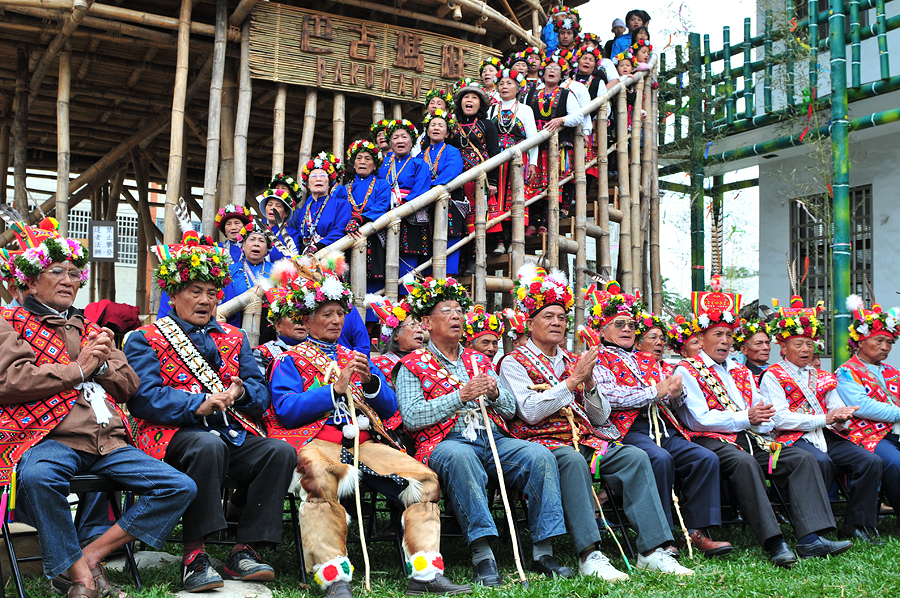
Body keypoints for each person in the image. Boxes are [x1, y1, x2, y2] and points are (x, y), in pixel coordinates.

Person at [0, 218, 196, 598]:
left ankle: (88, 557)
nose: (68, 279)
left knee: (179, 486)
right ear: (28, 279)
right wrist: (78, 369)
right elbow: (9, 381)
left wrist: (103, 364)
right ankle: (82, 578)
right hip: (50, 438)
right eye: (55, 270)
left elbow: (129, 387)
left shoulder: (89, 326)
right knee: (40, 478)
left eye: (74, 273)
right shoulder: (9, 321)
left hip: (108, 442)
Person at [266, 256, 470, 598]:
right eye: (326, 314)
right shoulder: (289, 359)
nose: (335, 320)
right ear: (308, 319)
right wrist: (334, 390)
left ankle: (424, 572)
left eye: (339, 314)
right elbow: (287, 410)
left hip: (365, 444)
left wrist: (372, 381)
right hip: (319, 442)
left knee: (424, 479)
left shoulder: (355, 356)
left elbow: (390, 408)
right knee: (318, 476)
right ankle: (334, 579)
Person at [125, 230, 296, 592]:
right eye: (195, 291)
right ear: (173, 295)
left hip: (229, 429)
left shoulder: (234, 339)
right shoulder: (146, 337)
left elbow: (260, 394)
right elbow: (144, 398)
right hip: (170, 435)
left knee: (279, 451)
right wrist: (197, 404)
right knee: (207, 446)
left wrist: (241, 393)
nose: (205, 300)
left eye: (212, 293)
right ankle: (195, 556)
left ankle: (244, 550)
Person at [500, 265, 693, 579]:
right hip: (542, 443)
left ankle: (652, 550)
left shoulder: (574, 359)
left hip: (588, 437)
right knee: (573, 460)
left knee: (635, 456)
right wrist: (574, 381)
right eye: (548, 316)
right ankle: (590, 555)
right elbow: (530, 412)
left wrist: (589, 386)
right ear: (530, 322)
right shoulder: (513, 361)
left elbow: (601, 417)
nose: (557, 323)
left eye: (562, 318)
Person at [395, 277, 568, 586]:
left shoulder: (479, 359)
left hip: (493, 438)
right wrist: (459, 396)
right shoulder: (412, 364)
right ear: (426, 322)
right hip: (445, 443)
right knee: (460, 457)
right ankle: (483, 555)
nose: (456, 317)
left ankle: (544, 552)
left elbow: (510, 409)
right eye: (446, 310)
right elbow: (411, 417)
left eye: (459, 311)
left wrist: (494, 395)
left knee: (539, 455)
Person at [675, 275, 852, 567]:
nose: (724, 341)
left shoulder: (739, 370)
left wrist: (761, 422)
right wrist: (747, 417)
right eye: (718, 334)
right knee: (743, 463)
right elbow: (697, 420)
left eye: (729, 335)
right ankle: (775, 541)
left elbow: (763, 410)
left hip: (753, 437)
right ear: (701, 338)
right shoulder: (687, 369)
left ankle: (812, 538)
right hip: (711, 439)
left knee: (800, 458)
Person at [589, 283, 731, 557]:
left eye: (631, 324)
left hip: (664, 425)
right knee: (660, 459)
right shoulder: (598, 359)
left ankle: (696, 531)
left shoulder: (646, 359)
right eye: (619, 324)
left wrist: (677, 393)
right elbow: (610, 398)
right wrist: (656, 391)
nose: (627, 329)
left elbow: (669, 398)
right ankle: (662, 536)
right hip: (627, 429)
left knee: (705, 458)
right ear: (602, 329)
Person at [759, 297, 882, 544]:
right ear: (783, 348)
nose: (805, 349)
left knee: (870, 461)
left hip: (826, 434)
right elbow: (780, 419)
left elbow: (836, 407)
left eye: (808, 344)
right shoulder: (773, 375)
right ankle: (816, 528)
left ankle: (854, 524)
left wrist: (843, 417)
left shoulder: (823, 376)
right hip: (792, 437)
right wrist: (825, 418)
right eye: (798, 344)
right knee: (820, 461)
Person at [835, 295, 900, 535]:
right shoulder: (846, 372)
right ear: (860, 342)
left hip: (893, 431)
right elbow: (862, 406)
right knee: (894, 463)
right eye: (879, 340)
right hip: (867, 434)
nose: (885, 347)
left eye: (890, 342)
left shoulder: (893, 371)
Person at [525, 54, 581, 229]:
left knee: (554, 182)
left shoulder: (566, 94)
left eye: (556, 69)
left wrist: (561, 120)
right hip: (535, 145)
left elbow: (578, 116)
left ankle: (548, 222)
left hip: (557, 147)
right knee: (534, 182)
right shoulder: (531, 94)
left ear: (561, 74)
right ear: (543, 72)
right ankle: (533, 222)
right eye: (549, 67)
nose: (552, 70)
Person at [449, 79, 500, 268]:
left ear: (480, 103)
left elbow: (495, 153)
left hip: (480, 179)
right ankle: (461, 261)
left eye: (474, 97)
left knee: (478, 219)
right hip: (458, 180)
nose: (469, 100)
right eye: (466, 97)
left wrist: (492, 181)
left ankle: (474, 259)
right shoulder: (452, 125)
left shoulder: (487, 124)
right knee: (460, 221)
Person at [487, 68, 539, 241]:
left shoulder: (525, 110)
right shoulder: (491, 110)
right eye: (501, 83)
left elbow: (533, 139)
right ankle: (499, 239)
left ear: (518, 88)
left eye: (509, 83)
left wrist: (533, 162)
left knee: (515, 196)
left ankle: (513, 238)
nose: (504, 86)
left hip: (518, 160)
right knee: (497, 198)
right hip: (495, 160)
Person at [377, 119, 432, 281]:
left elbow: (421, 188)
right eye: (395, 137)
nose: (400, 140)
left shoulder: (419, 163)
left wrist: (404, 204)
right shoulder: (382, 165)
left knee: (409, 265)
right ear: (390, 142)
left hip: (410, 216)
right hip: (386, 214)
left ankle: (406, 301)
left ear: (411, 141)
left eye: (404, 137)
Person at [344, 139, 391, 297]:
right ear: (353, 163)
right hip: (348, 238)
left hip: (374, 236)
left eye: (368, 158)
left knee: (373, 287)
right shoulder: (343, 190)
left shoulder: (382, 185)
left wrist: (358, 220)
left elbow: (381, 207)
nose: (363, 162)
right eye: (359, 158)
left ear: (375, 165)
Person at [421, 109, 465, 276]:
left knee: (450, 238)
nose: (436, 128)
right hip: (427, 204)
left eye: (441, 125)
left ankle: (449, 278)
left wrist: (431, 187)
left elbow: (452, 171)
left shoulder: (452, 151)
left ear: (447, 133)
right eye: (433, 125)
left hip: (449, 201)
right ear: (427, 131)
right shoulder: (420, 155)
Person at [253, 262, 308, 377]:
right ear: (278, 325)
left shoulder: (318, 351)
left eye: (305, 316)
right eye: (293, 315)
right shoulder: (262, 353)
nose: (300, 322)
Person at [298, 152, 351, 256]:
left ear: (329, 183)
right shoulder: (303, 211)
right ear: (308, 184)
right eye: (314, 176)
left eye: (323, 175)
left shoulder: (341, 205)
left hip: (332, 258)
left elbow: (340, 230)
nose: (318, 179)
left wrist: (319, 246)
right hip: (307, 260)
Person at [221, 229, 273, 336]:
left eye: (261, 241)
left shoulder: (276, 270)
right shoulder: (230, 272)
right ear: (243, 246)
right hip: (237, 327)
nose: (256, 244)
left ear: (267, 249)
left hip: (270, 327)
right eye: (252, 239)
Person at [258, 188, 298, 262]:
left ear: (286, 213)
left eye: (278, 206)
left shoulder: (292, 234)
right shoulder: (257, 232)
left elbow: (294, 258)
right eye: (270, 204)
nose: (272, 208)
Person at [412, 89, 454, 156]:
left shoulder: (452, 128)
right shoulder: (420, 128)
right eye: (432, 103)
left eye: (439, 103)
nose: (434, 106)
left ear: (447, 109)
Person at [734, 317, 771, 382]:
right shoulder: (741, 377)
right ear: (744, 350)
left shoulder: (778, 371)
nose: (766, 347)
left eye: (767, 343)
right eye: (759, 343)